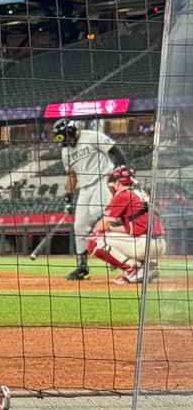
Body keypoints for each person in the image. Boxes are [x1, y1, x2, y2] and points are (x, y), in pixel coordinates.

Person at [50, 118, 128, 280]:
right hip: (84, 187)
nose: (68, 144)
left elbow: (115, 151)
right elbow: (71, 175)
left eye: (68, 139)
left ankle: (116, 252)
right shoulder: (65, 151)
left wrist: (123, 171)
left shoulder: (92, 136)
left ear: (73, 132)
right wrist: (68, 197)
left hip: (103, 178)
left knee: (97, 211)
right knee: (79, 226)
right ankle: (82, 266)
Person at [87, 166, 166, 285]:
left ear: (118, 182)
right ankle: (149, 266)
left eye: (113, 183)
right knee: (110, 234)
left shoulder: (122, 195)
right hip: (159, 245)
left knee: (94, 240)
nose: (112, 186)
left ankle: (132, 270)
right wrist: (113, 229)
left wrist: (96, 231)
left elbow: (102, 225)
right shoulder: (141, 193)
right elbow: (136, 227)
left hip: (144, 245)